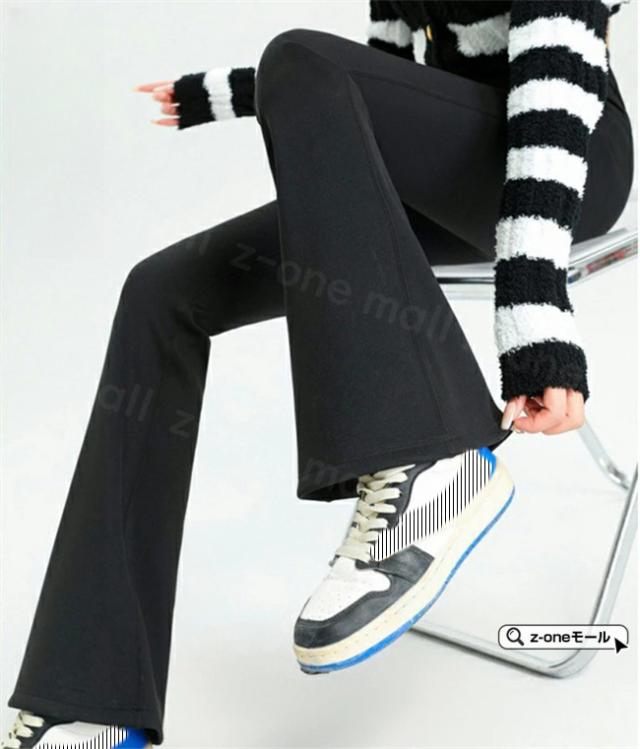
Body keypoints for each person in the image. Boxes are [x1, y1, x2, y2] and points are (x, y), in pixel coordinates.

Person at [2, 1, 634, 747]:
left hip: (567, 160)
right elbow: (375, 87)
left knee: (301, 56)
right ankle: (95, 692)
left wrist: (537, 332)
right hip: (452, 177)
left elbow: (554, 92)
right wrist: (228, 91)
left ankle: (426, 457)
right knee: (161, 291)